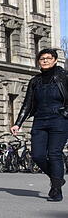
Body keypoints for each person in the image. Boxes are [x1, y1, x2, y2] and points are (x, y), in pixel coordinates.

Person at [11, 48, 68, 201]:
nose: (45, 60)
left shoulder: (64, 76)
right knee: (37, 155)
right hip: (40, 120)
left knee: (54, 153)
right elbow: (27, 104)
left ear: (55, 60)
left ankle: (56, 190)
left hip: (59, 119)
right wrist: (18, 123)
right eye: (42, 58)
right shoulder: (35, 81)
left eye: (48, 58)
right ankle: (57, 179)